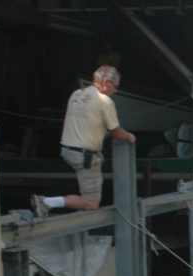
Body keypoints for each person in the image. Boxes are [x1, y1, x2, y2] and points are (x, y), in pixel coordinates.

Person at [32, 65, 137, 217]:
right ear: (106, 83)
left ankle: (76, 216)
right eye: (116, 86)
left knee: (87, 196)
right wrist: (129, 136)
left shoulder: (77, 94)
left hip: (68, 150)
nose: (116, 90)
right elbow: (117, 132)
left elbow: (86, 122)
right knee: (91, 203)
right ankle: (46, 202)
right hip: (85, 156)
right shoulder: (104, 101)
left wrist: (103, 133)